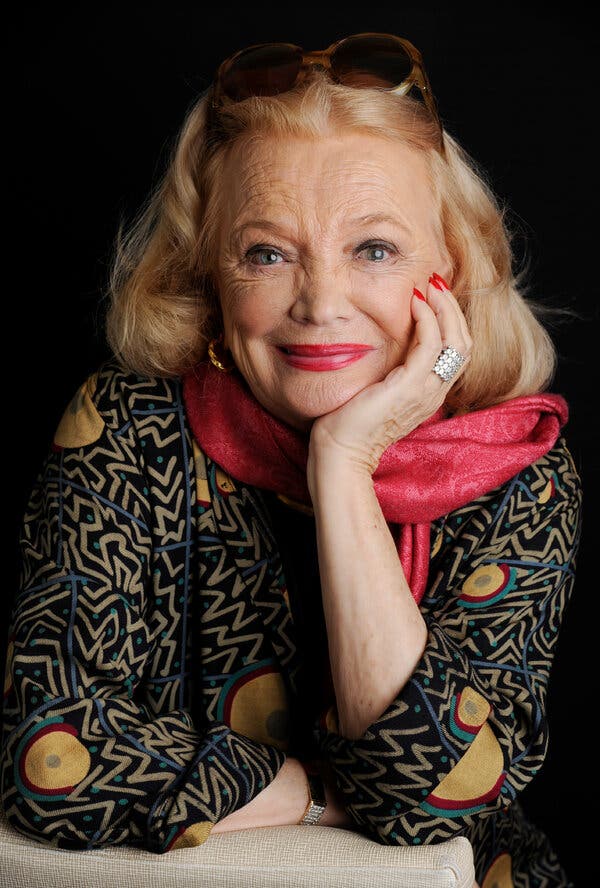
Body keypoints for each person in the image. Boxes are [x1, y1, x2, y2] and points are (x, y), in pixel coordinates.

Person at [1, 32, 582, 887]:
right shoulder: (127, 428)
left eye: (373, 250)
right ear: (209, 272)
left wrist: (343, 464)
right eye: (267, 254)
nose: (319, 304)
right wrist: (315, 792)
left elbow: (427, 803)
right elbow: (47, 757)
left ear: (452, 270)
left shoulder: (518, 471)